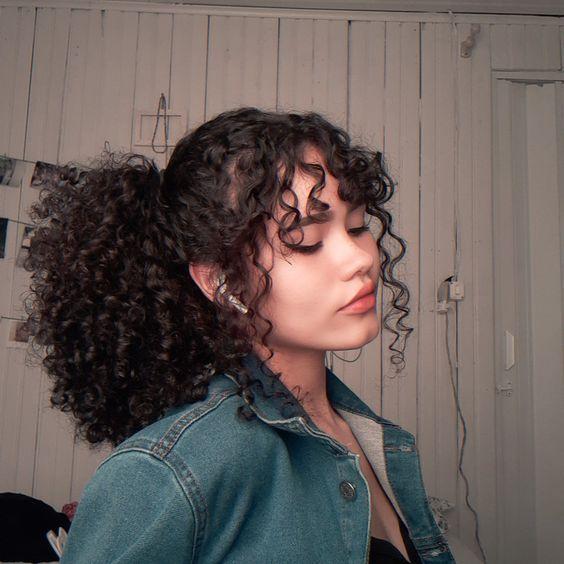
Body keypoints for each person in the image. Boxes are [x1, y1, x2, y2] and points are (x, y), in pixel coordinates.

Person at [23, 107, 456, 563]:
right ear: (222, 282)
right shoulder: (172, 471)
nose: (361, 259)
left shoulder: (367, 435)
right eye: (306, 241)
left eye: (357, 226)